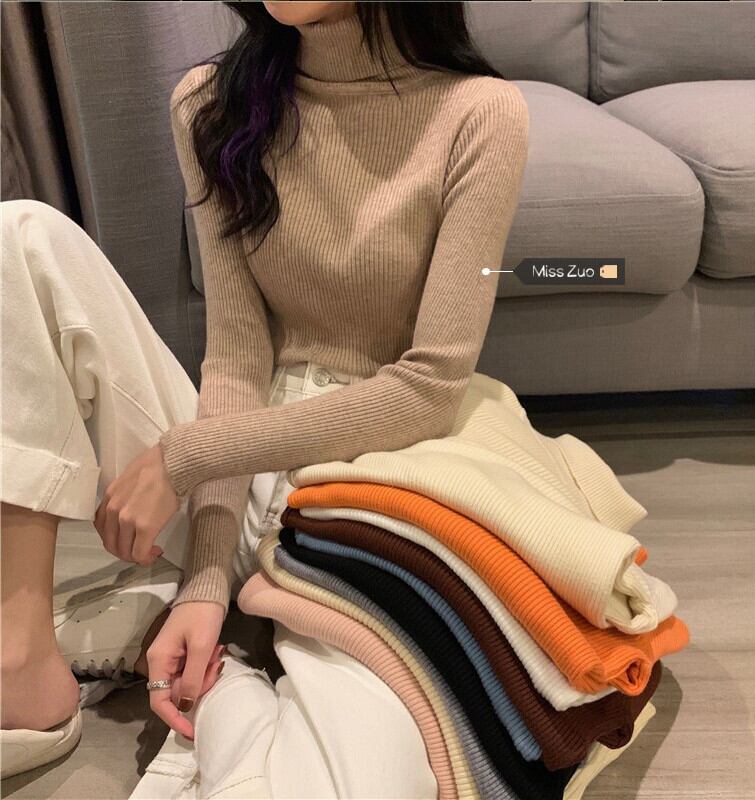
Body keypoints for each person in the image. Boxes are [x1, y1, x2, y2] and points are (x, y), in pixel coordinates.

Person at [0, 0, 528, 787]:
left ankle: (214, 652)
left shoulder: (479, 114)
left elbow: (428, 389)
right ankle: (20, 659)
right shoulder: (211, 105)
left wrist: (182, 457)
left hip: (378, 468)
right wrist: (206, 577)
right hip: (238, 453)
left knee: (366, 778)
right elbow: (238, 356)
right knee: (20, 239)